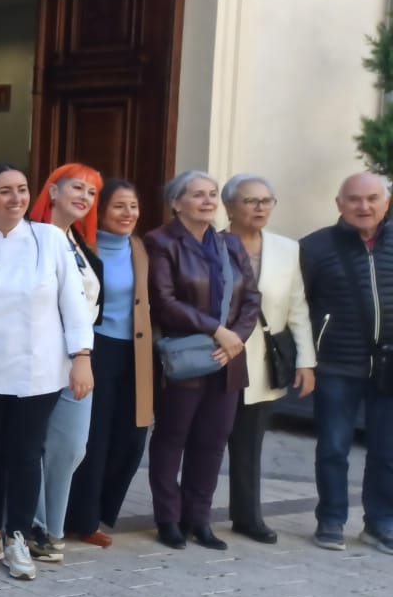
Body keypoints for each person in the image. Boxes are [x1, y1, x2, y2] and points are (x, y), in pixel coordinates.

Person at [0, 163, 93, 581]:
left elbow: (73, 303)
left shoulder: (50, 239)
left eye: (23, 189)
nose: (17, 198)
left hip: (39, 370)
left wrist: (82, 356)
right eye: (5, 191)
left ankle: (18, 537)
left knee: (26, 455)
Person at [143, 171, 261, 551]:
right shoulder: (161, 242)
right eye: (198, 195)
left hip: (228, 358)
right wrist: (216, 330)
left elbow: (251, 299)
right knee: (172, 438)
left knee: (212, 441)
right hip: (185, 357)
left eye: (212, 194)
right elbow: (163, 301)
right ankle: (168, 519)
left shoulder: (230, 243)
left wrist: (235, 339)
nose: (208, 201)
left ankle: (199, 519)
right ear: (177, 203)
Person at [299, 172, 393, 553]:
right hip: (336, 365)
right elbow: (298, 308)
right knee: (333, 448)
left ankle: (381, 523)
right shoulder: (314, 247)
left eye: (372, 198)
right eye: (354, 199)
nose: (363, 206)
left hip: (389, 367)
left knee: (387, 451)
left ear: (387, 202)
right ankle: (331, 519)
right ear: (339, 204)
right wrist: (305, 360)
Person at [223, 174, 316, 544]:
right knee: (204, 442)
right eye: (250, 201)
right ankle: (190, 515)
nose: (260, 208)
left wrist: (306, 361)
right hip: (218, 358)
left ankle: (248, 517)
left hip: (263, 362)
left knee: (250, 445)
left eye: (266, 201)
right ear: (230, 207)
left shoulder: (287, 249)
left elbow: (297, 307)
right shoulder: (212, 245)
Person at [63, 179, 155, 547]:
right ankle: (83, 520)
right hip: (95, 349)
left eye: (133, 206)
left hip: (136, 351)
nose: (128, 213)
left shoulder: (140, 248)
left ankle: (100, 510)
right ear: (100, 211)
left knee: (132, 438)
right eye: (119, 206)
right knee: (94, 437)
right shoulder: (84, 247)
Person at [27, 163, 104, 563]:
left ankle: (50, 525)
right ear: (53, 191)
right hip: (34, 357)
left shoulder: (83, 248)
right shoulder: (28, 238)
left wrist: (82, 357)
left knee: (71, 446)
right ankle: (36, 528)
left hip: (77, 360)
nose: (85, 197)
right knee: (28, 445)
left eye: (92, 192)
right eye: (78, 187)